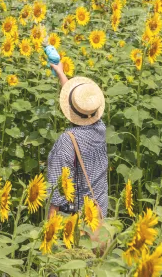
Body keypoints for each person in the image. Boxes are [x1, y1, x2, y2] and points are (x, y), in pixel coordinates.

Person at [46, 60, 108, 219]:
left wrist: (49, 232)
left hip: (79, 220)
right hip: (99, 213)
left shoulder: (67, 140)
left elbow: (57, 193)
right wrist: (61, 74)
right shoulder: (100, 128)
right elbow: (81, 106)